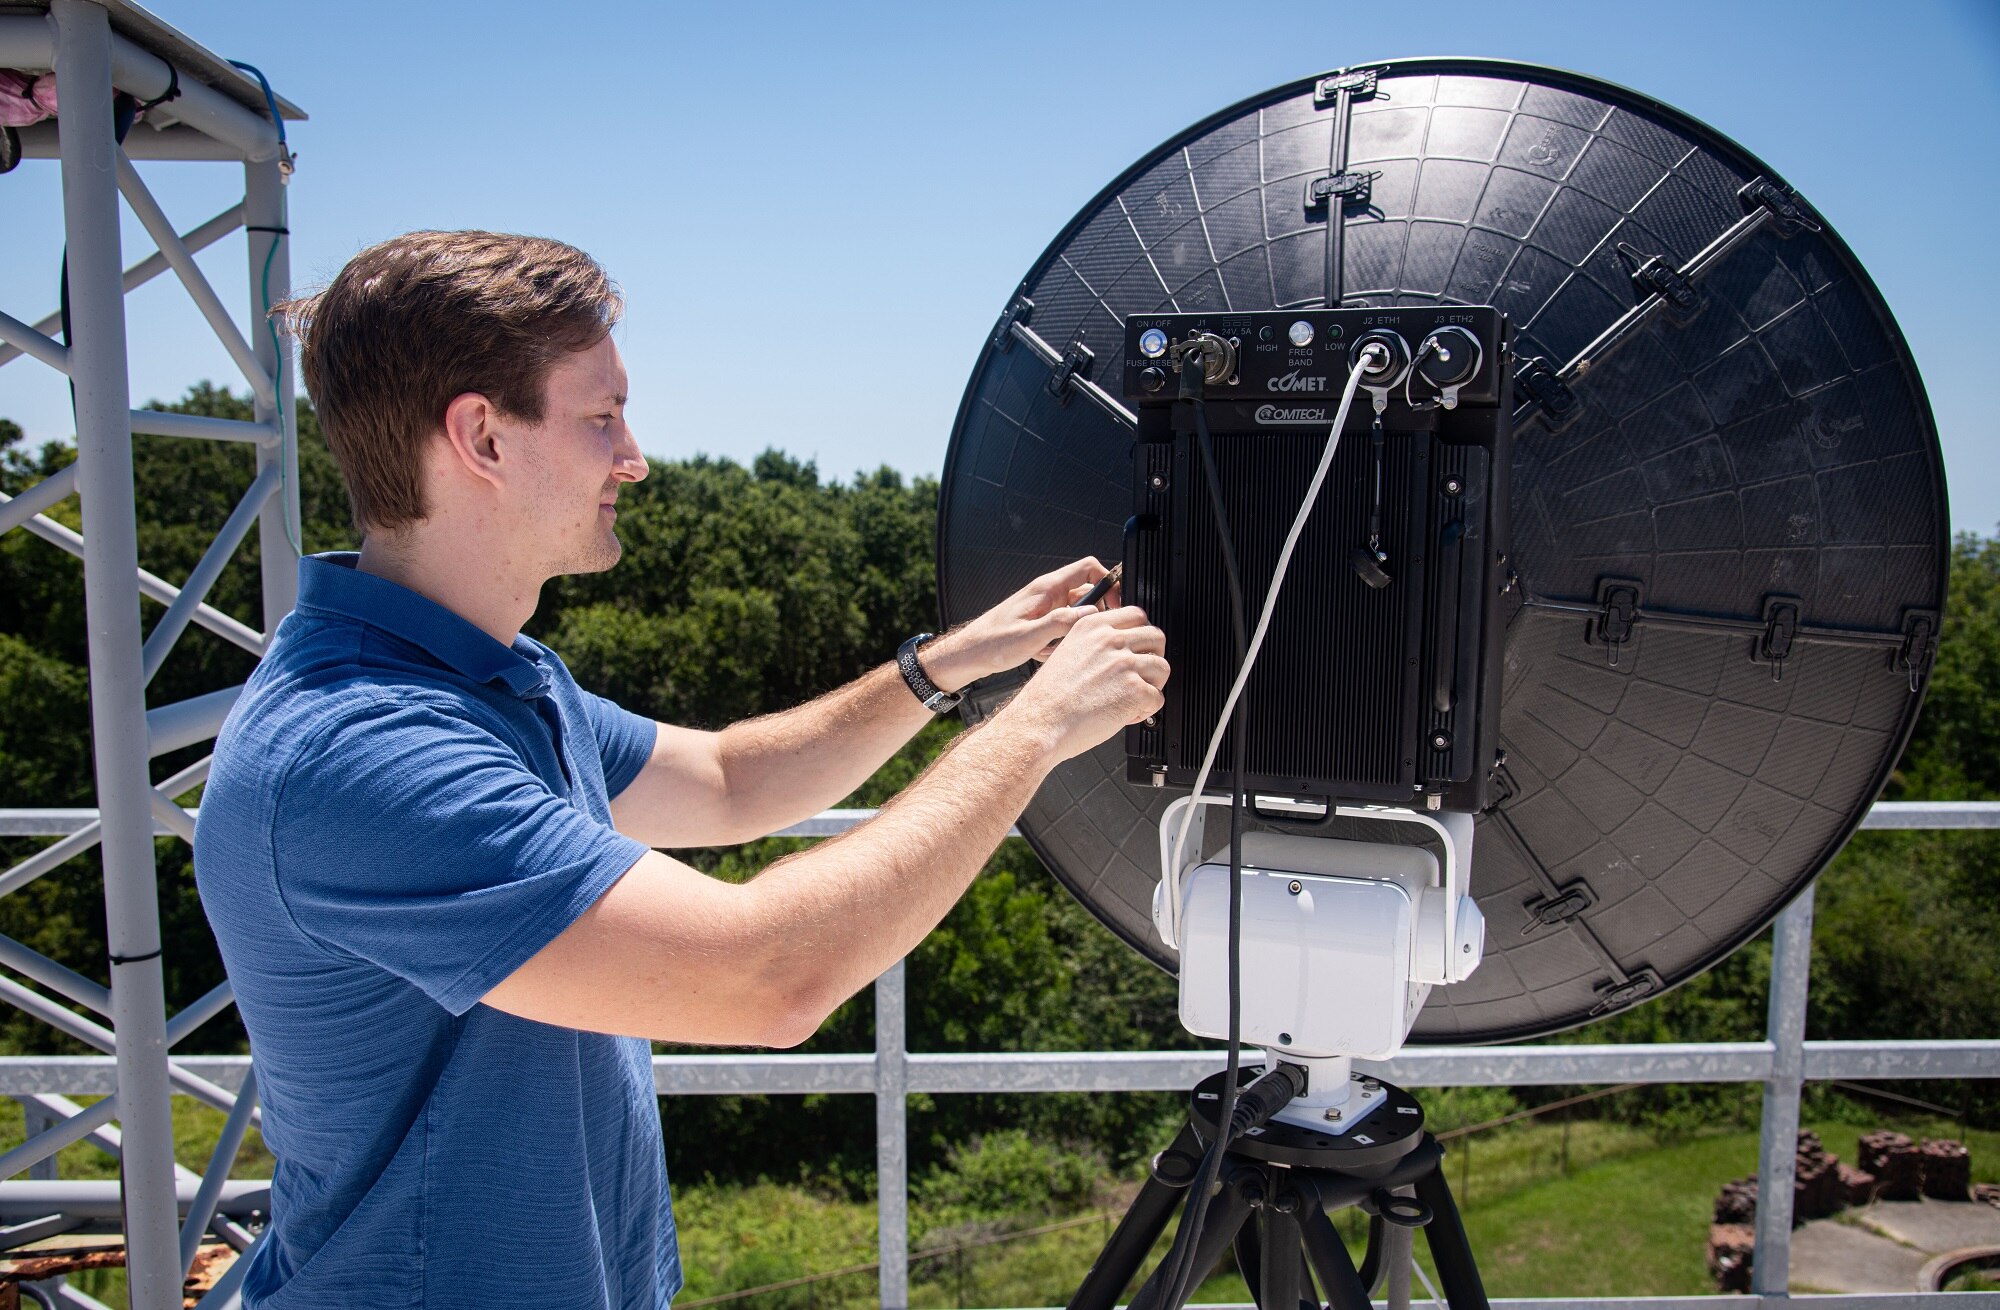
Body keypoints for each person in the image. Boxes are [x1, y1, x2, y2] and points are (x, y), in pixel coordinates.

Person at [191, 230, 1168, 1310]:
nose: (634, 455)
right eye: (599, 415)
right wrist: (1034, 727)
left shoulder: (492, 679)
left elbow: (727, 779)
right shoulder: (365, 752)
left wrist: (948, 666)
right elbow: (765, 975)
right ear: (480, 436)